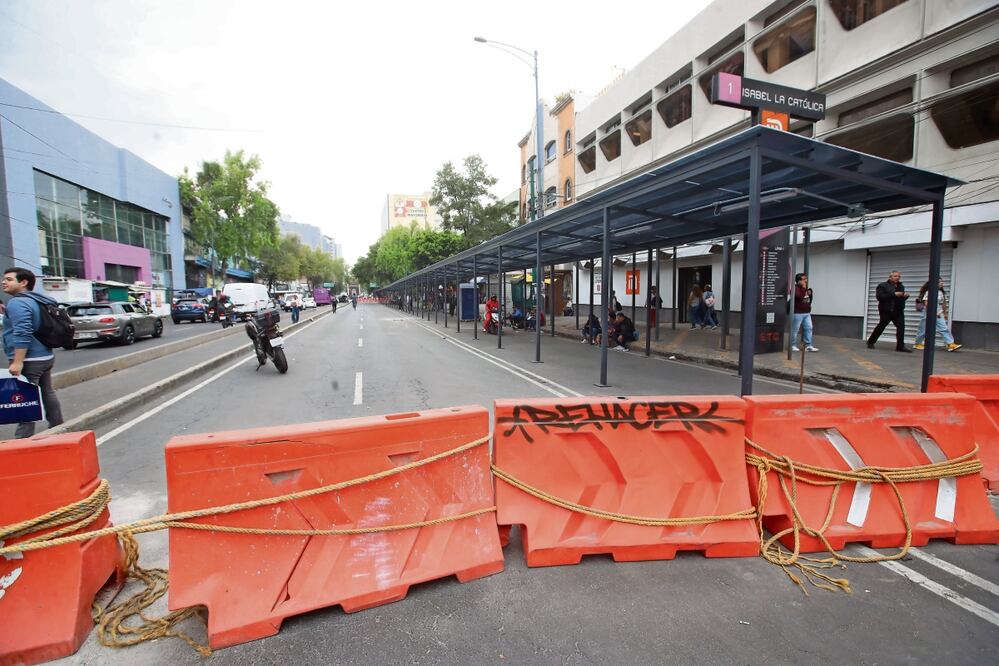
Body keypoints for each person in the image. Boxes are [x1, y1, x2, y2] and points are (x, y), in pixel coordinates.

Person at [2, 267, 64, 438]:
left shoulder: (17, 303)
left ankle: (23, 439)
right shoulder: (40, 300)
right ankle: (58, 426)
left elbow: (22, 332)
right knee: (46, 391)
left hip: (30, 359)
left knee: (26, 399)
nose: (4, 282)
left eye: (9, 279)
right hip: (45, 355)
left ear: (23, 283)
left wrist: (17, 361)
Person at [867, 270, 911, 352]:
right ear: (890, 277)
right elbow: (880, 297)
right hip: (886, 310)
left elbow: (900, 298)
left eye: (898, 276)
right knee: (881, 326)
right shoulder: (883, 285)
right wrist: (894, 294)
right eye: (895, 276)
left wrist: (905, 296)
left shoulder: (901, 286)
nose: (897, 278)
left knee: (901, 327)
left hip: (898, 311)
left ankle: (900, 346)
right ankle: (871, 341)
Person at [914, 278, 962, 352]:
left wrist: (944, 313)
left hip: (938, 312)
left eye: (942, 282)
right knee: (923, 329)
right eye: (939, 282)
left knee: (943, 328)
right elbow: (926, 303)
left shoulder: (941, 292)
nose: (942, 283)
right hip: (928, 312)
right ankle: (918, 343)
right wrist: (933, 312)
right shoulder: (929, 292)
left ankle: (950, 344)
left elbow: (943, 303)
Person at [790, 274, 818, 352]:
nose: (805, 280)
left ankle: (808, 345)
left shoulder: (805, 289)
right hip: (797, 313)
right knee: (795, 330)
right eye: (803, 279)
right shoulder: (795, 288)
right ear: (798, 280)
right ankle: (792, 345)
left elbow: (808, 299)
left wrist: (810, 293)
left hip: (807, 313)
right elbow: (799, 296)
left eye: (806, 279)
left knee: (809, 328)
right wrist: (804, 289)